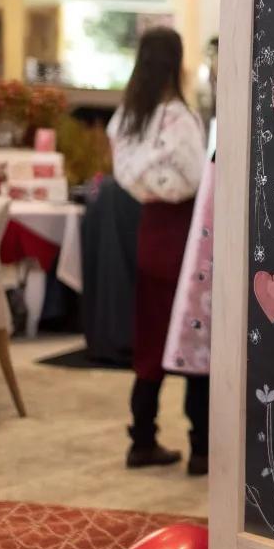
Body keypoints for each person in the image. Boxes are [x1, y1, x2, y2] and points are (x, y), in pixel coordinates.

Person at [107, 27, 207, 472]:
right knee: (196, 336)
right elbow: (195, 179)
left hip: (149, 230)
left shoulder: (127, 120)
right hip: (185, 234)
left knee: (150, 338)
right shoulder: (181, 119)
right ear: (176, 63)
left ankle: (142, 440)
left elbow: (127, 177)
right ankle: (202, 447)